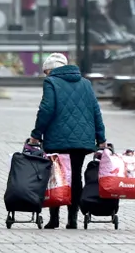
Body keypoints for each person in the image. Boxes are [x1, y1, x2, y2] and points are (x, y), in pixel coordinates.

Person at [28, 52, 106, 230]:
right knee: (75, 177)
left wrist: (36, 134)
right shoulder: (85, 83)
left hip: (57, 139)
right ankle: (72, 219)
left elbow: (46, 109)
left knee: (56, 175)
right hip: (81, 140)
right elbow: (96, 111)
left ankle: (54, 219)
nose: (45, 76)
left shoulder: (51, 82)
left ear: (50, 70)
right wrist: (101, 139)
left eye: (45, 72)